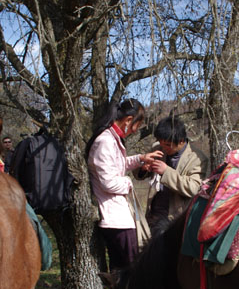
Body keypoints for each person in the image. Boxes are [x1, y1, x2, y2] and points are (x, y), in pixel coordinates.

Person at [86, 99, 163, 271]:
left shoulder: (112, 140)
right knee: (131, 268)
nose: (136, 130)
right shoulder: (105, 141)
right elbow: (108, 182)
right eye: (137, 124)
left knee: (122, 268)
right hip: (114, 219)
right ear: (128, 120)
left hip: (118, 216)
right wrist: (128, 182)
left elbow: (117, 165)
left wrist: (140, 159)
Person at [136, 115, 208, 235]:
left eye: (168, 145)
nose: (164, 148)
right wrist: (144, 168)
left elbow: (193, 188)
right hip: (153, 214)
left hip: (176, 219)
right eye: (161, 143)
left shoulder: (198, 158)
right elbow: (139, 175)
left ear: (181, 141)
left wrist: (166, 171)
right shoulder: (156, 148)